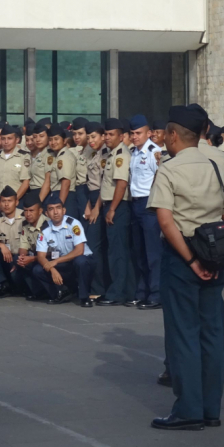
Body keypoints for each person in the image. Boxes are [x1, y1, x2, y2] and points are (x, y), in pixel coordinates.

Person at [148, 105, 224, 431]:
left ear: (172, 135)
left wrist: (191, 260)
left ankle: (188, 409)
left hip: (182, 257)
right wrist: (211, 259)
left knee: (183, 335)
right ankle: (211, 408)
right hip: (215, 255)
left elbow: (166, 222)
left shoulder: (169, 169)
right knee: (212, 333)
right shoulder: (217, 164)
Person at [33, 193, 95, 307]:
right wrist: (52, 269)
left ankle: (84, 297)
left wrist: (55, 262)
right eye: (51, 209)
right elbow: (40, 256)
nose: (55, 212)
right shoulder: (44, 229)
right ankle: (61, 292)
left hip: (81, 261)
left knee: (80, 261)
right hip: (63, 264)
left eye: (58, 208)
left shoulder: (74, 224)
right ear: (46, 213)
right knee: (38, 270)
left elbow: (79, 251)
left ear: (64, 210)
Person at [97, 118, 133, 306]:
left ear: (121, 136)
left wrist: (112, 209)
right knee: (115, 250)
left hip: (117, 206)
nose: (107, 137)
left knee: (117, 251)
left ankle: (117, 292)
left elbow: (121, 183)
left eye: (111, 134)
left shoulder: (121, 155)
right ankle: (123, 290)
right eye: (106, 134)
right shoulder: (111, 154)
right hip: (110, 205)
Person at [128, 114, 163, 310]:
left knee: (153, 253)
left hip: (149, 205)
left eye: (138, 133)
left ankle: (156, 294)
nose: (135, 136)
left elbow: (158, 181)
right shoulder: (133, 152)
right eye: (132, 133)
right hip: (135, 204)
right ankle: (142, 292)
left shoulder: (154, 153)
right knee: (139, 252)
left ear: (148, 133)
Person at [83, 122, 108, 298]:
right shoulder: (92, 153)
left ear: (102, 136)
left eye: (94, 137)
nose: (91, 140)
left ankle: (99, 289)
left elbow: (104, 184)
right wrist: (88, 205)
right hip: (92, 198)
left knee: (94, 245)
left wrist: (96, 207)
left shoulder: (105, 155)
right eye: (89, 137)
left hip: (101, 199)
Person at [0, 125, 31, 207]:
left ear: (16, 140)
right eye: (3, 139)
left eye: (9, 138)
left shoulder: (24, 156)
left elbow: (26, 182)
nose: (6, 142)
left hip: (18, 201)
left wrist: (14, 201)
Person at [40, 125, 78, 218]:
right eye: (50, 140)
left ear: (64, 141)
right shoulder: (56, 156)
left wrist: (59, 206)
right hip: (56, 195)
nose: (53, 142)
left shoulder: (64, 157)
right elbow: (47, 181)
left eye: (56, 139)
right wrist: (38, 204)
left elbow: (66, 183)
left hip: (65, 196)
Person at [16, 191, 49, 300]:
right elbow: (23, 245)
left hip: (50, 257)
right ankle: (36, 291)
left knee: (37, 269)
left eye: (31, 211)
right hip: (36, 256)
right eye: (25, 211)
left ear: (40, 211)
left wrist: (32, 259)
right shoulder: (25, 224)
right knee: (18, 261)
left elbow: (53, 252)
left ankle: (53, 291)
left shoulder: (48, 225)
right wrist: (22, 258)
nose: (28, 214)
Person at [28, 123, 52, 199]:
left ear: (48, 137)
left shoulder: (49, 155)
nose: (38, 140)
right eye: (35, 137)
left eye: (41, 136)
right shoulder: (36, 155)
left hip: (43, 193)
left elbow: (47, 182)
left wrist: (39, 202)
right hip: (33, 192)